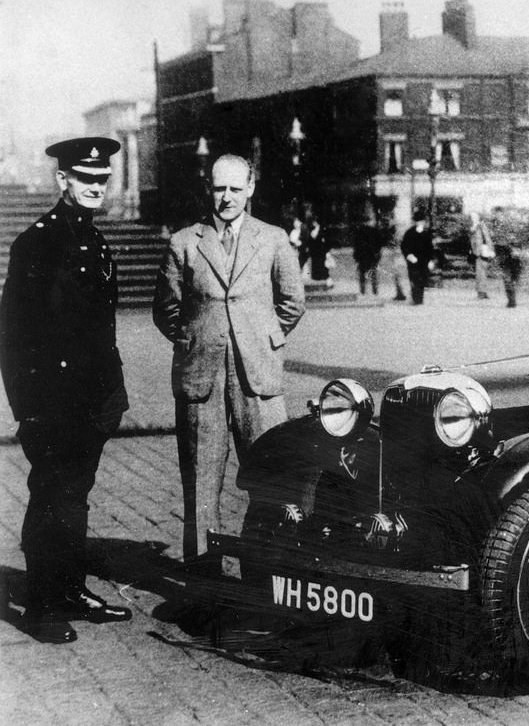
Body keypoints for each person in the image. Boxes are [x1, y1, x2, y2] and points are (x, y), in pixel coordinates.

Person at [0, 137, 132, 644]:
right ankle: (40, 606)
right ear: (63, 181)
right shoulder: (36, 243)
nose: (96, 186)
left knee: (75, 497)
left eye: (102, 179)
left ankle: (70, 590)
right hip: (52, 403)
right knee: (50, 497)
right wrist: (29, 409)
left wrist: (111, 396)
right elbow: (14, 334)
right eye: (86, 178)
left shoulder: (95, 240)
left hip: (93, 400)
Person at [153, 154, 306, 564]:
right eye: (219, 188)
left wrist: (261, 339)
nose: (227, 198)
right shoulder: (185, 242)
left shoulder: (273, 238)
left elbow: (292, 303)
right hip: (201, 380)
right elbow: (166, 310)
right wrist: (197, 341)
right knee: (201, 486)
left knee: (274, 481)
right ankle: (206, 586)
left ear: (250, 189)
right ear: (209, 189)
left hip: (259, 377)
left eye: (236, 189)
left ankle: (267, 577)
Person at [489, 208, 526, 308]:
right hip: (504, 257)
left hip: (514, 257)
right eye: (496, 214)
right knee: (507, 279)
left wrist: (516, 248)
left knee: (514, 278)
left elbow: (520, 241)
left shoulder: (510, 226)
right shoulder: (494, 226)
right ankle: (511, 300)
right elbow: (495, 243)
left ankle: (512, 298)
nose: (497, 216)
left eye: (499, 214)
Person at [401, 209, 435, 305]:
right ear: (416, 222)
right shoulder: (409, 233)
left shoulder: (427, 233)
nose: (421, 223)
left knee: (422, 280)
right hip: (413, 261)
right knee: (415, 279)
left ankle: (419, 299)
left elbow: (430, 248)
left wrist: (431, 260)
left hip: (424, 261)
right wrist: (408, 255)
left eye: (422, 221)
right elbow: (404, 246)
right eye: (419, 221)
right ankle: (416, 299)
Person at [468, 211, 495, 300]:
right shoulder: (473, 227)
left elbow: (487, 238)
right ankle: (483, 292)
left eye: (474, 217)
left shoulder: (481, 226)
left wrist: (491, 250)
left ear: (478, 217)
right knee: (480, 273)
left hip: (482, 252)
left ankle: (481, 293)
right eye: (471, 217)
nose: (472, 219)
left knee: (481, 273)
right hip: (477, 252)